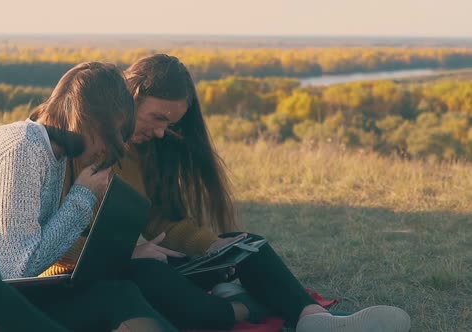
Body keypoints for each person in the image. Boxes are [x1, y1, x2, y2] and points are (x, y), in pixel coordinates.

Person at [43, 55, 411, 332]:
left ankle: (314, 318)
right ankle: (242, 307)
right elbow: (46, 243)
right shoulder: (77, 147)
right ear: (130, 97)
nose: (160, 133)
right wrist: (131, 253)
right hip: (95, 275)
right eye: (157, 118)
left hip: (134, 261)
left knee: (246, 244)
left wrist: (211, 247)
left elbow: (162, 222)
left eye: (169, 124)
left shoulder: (145, 152)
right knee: (156, 278)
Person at [0, 62, 177, 332]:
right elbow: (19, 267)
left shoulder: (55, 159)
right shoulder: (22, 146)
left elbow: (28, 263)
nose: (107, 151)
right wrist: (83, 197)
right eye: (110, 136)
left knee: (115, 294)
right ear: (89, 119)